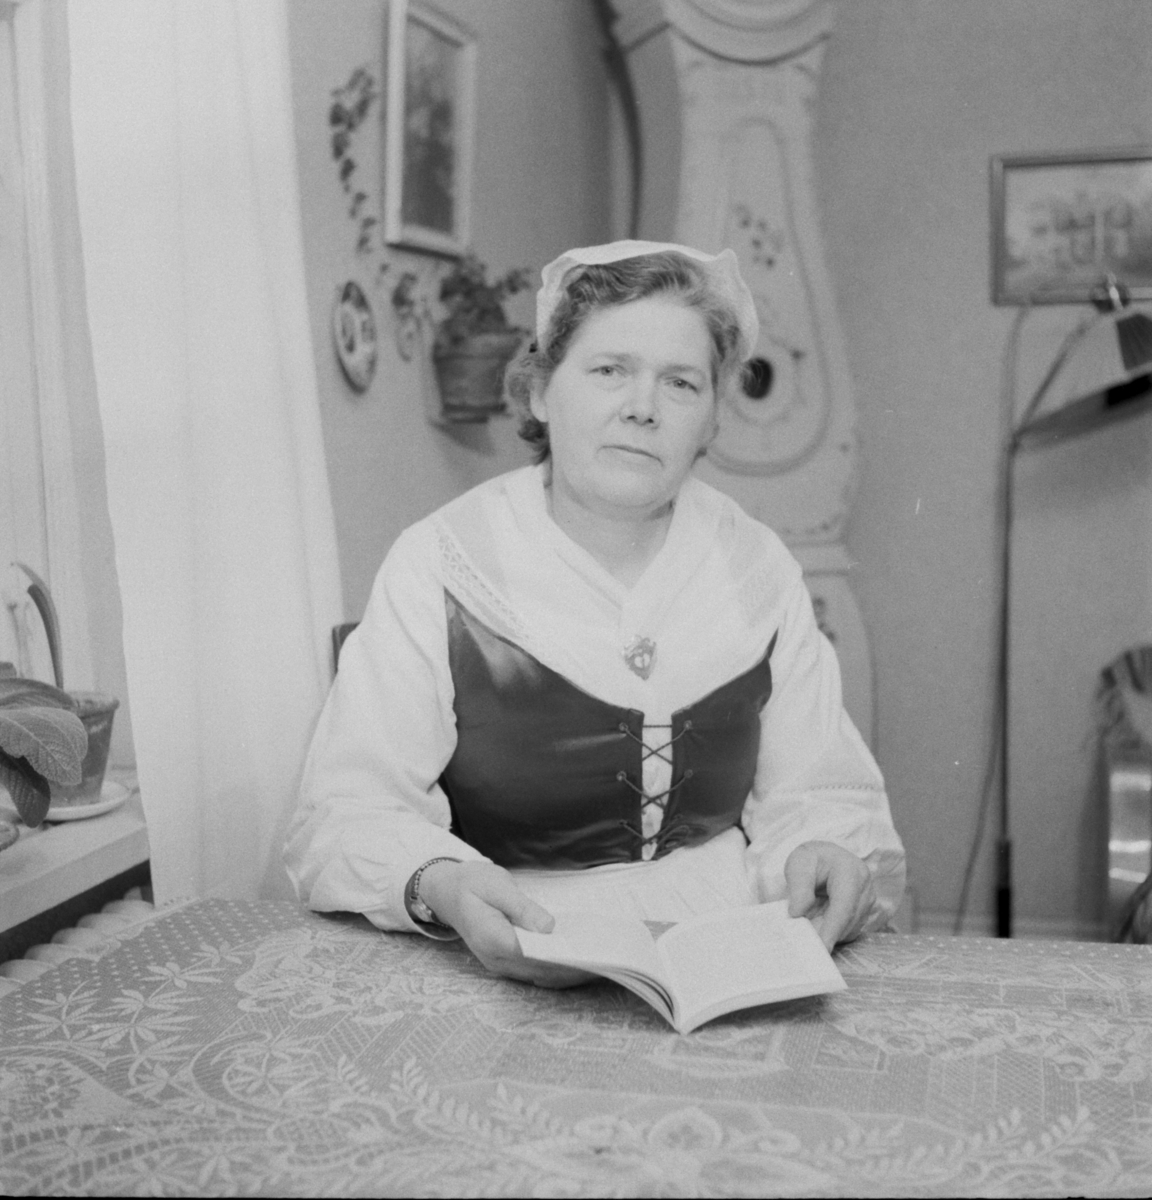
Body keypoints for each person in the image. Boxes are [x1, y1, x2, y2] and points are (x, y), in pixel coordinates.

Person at [284, 239, 905, 988]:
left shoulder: (756, 567)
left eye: (681, 383)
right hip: (511, 946)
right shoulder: (443, 563)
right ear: (541, 392)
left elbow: (818, 792)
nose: (642, 408)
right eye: (609, 370)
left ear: (711, 420)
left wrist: (823, 850)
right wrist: (440, 883)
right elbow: (345, 813)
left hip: (725, 945)